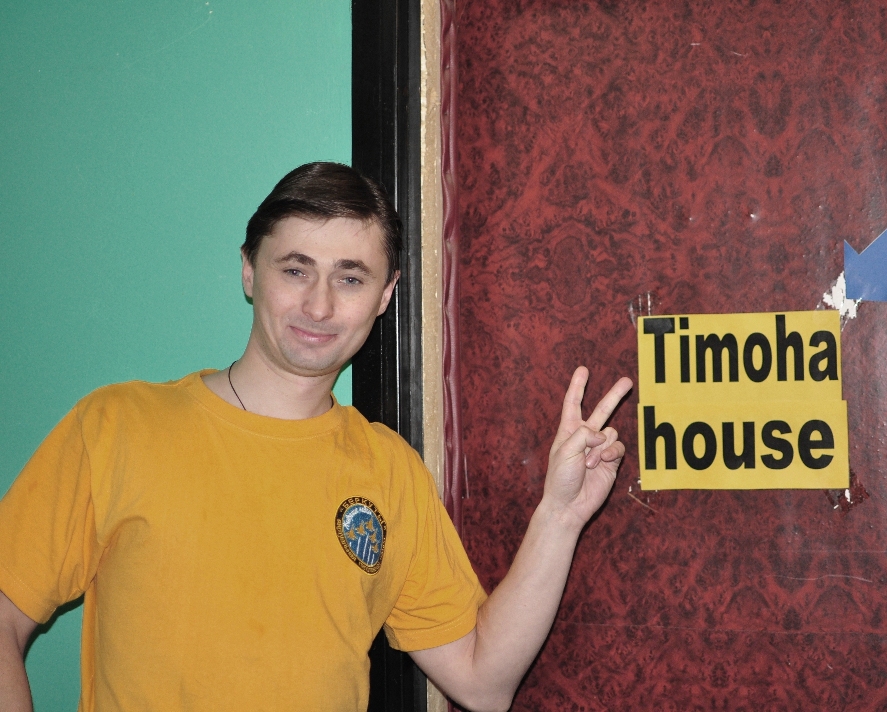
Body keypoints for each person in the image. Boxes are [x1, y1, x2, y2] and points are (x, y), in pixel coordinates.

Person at [0, 162, 632, 712]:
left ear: (385, 296)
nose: (320, 305)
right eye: (296, 270)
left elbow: (483, 682)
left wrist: (559, 517)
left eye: (350, 278)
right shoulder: (117, 426)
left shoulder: (389, 470)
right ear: (249, 270)